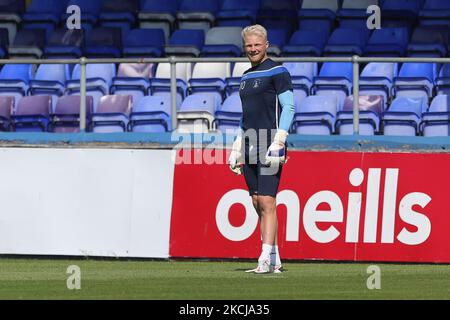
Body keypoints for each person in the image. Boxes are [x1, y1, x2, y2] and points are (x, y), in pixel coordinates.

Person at [228, 25, 295, 274]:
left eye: (257, 44)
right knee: (256, 200)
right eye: (249, 45)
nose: (253, 49)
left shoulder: (279, 71)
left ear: (266, 44)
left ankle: (264, 259)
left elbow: (288, 107)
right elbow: (246, 116)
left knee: (267, 200)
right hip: (249, 143)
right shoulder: (245, 77)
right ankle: (274, 256)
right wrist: (237, 145)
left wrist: (280, 140)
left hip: (270, 142)